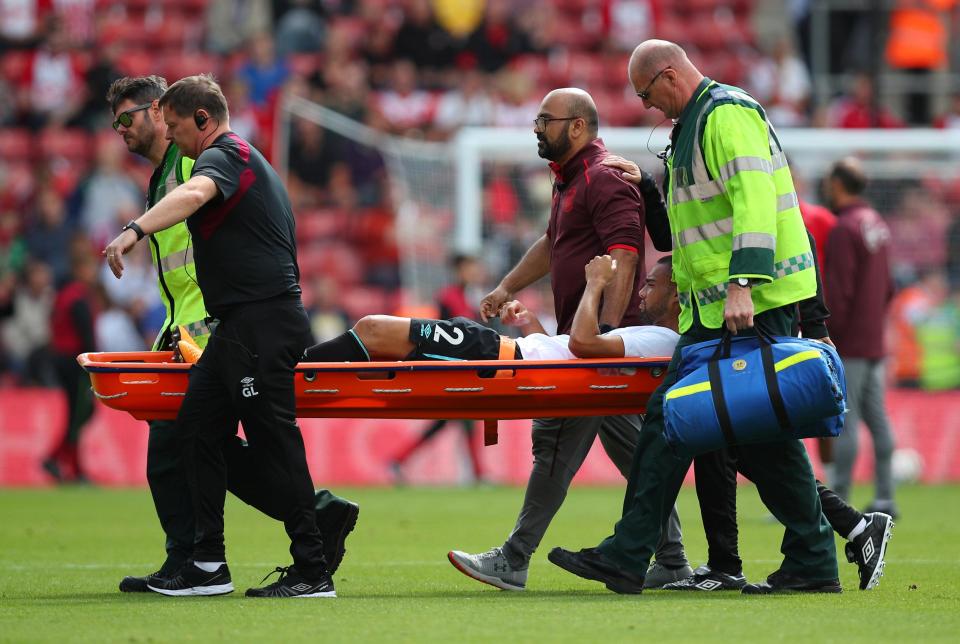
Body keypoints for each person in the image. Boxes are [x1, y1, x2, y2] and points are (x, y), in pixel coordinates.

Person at [549, 39, 839, 595]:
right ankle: (809, 556)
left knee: (688, 421)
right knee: (732, 430)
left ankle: (631, 552)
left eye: (646, 94)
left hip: (751, 301)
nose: (649, 107)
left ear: (668, 75)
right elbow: (692, 230)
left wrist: (741, 282)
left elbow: (754, 197)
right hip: (716, 309)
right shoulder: (693, 126)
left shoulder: (726, 113)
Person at [105, 75, 358, 594]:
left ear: (202, 120)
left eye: (174, 127)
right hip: (237, 326)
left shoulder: (227, 153)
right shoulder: (224, 158)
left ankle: (312, 568)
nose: (169, 138)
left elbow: (198, 191)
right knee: (194, 429)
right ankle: (206, 565)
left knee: (275, 444)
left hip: (261, 322)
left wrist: (134, 230)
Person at [456, 87, 691, 592]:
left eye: (546, 119)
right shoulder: (570, 180)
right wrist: (506, 286)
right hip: (590, 342)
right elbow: (551, 243)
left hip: (606, 346)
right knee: (633, 453)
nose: (537, 128)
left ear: (578, 126)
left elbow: (625, 257)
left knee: (555, 443)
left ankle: (514, 558)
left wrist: (602, 338)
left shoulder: (604, 179)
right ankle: (673, 561)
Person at [823, 157, 898, 517]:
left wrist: (828, 331)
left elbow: (839, 292)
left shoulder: (844, 228)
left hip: (849, 341)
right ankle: (885, 496)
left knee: (846, 418)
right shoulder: (877, 224)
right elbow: (890, 286)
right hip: (874, 339)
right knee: (878, 419)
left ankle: (840, 497)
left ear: (838, 184)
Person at [388, 254, 487, 485]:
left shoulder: (468, 297)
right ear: (459, 270)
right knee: (464, 421)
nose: (473, 272)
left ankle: (399, 461)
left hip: (464, 369)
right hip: (453, 370)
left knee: (446, 422)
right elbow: (445, 334)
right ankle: (479, 475)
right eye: (469, 268)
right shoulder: (447, 298)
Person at [41, 243, 99, 483]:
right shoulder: (78, 298)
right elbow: (86, 336)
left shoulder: (63, 295)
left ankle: (59, 459)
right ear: (80, 269)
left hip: (60, 359)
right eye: (90, 267)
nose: (93, 272)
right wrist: (94, 367)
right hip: (75, 363)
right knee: (79, 414)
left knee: (78, 414)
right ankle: (72, 468)